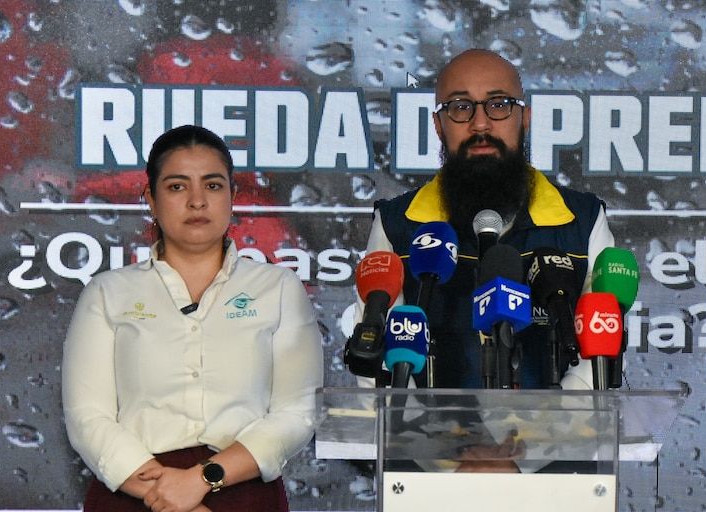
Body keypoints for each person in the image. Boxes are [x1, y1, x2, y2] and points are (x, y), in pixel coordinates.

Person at [62, 125, 323, 511]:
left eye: (213, 186)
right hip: (135, 492)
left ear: (233, 196)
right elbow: (87, 417)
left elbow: (298, 412)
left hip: (243, 491)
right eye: (177, 186)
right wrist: (166, 495)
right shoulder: (107, 292)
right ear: (151, 199)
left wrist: (201, 480)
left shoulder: (279, 288)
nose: (197, 201)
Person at [360, 48, 615, 389]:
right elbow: (379, 367)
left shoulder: (582, 221)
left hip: (555, 424)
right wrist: (437, 423)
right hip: (426, 424)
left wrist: (540, 422)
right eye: (460, 107)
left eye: (499, 104)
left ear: (524, 118)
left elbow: (594, 362)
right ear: (438, 125)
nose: (480, 124)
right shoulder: (397, 225)